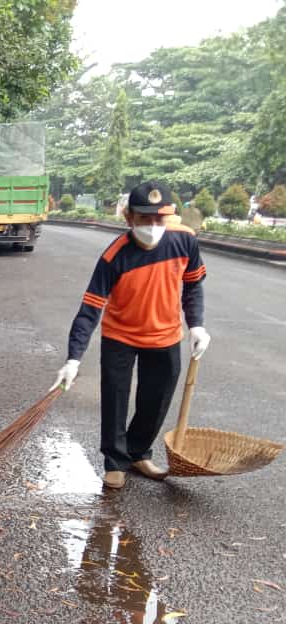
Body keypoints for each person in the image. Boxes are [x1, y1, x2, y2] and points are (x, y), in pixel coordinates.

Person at [51, 181, 210, 489]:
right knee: (115, 400)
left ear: (168, 217)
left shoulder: (184, 242)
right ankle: (115, 462)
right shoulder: (114, 256)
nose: (152, 226)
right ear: (129, 218)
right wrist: (73, 359)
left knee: (156, 400)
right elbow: (90, 309)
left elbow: (193, 286)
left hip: (165, 336)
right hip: (120, 337)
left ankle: (137, 453)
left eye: (158, 219)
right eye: (144, 219)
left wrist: (197, 325)